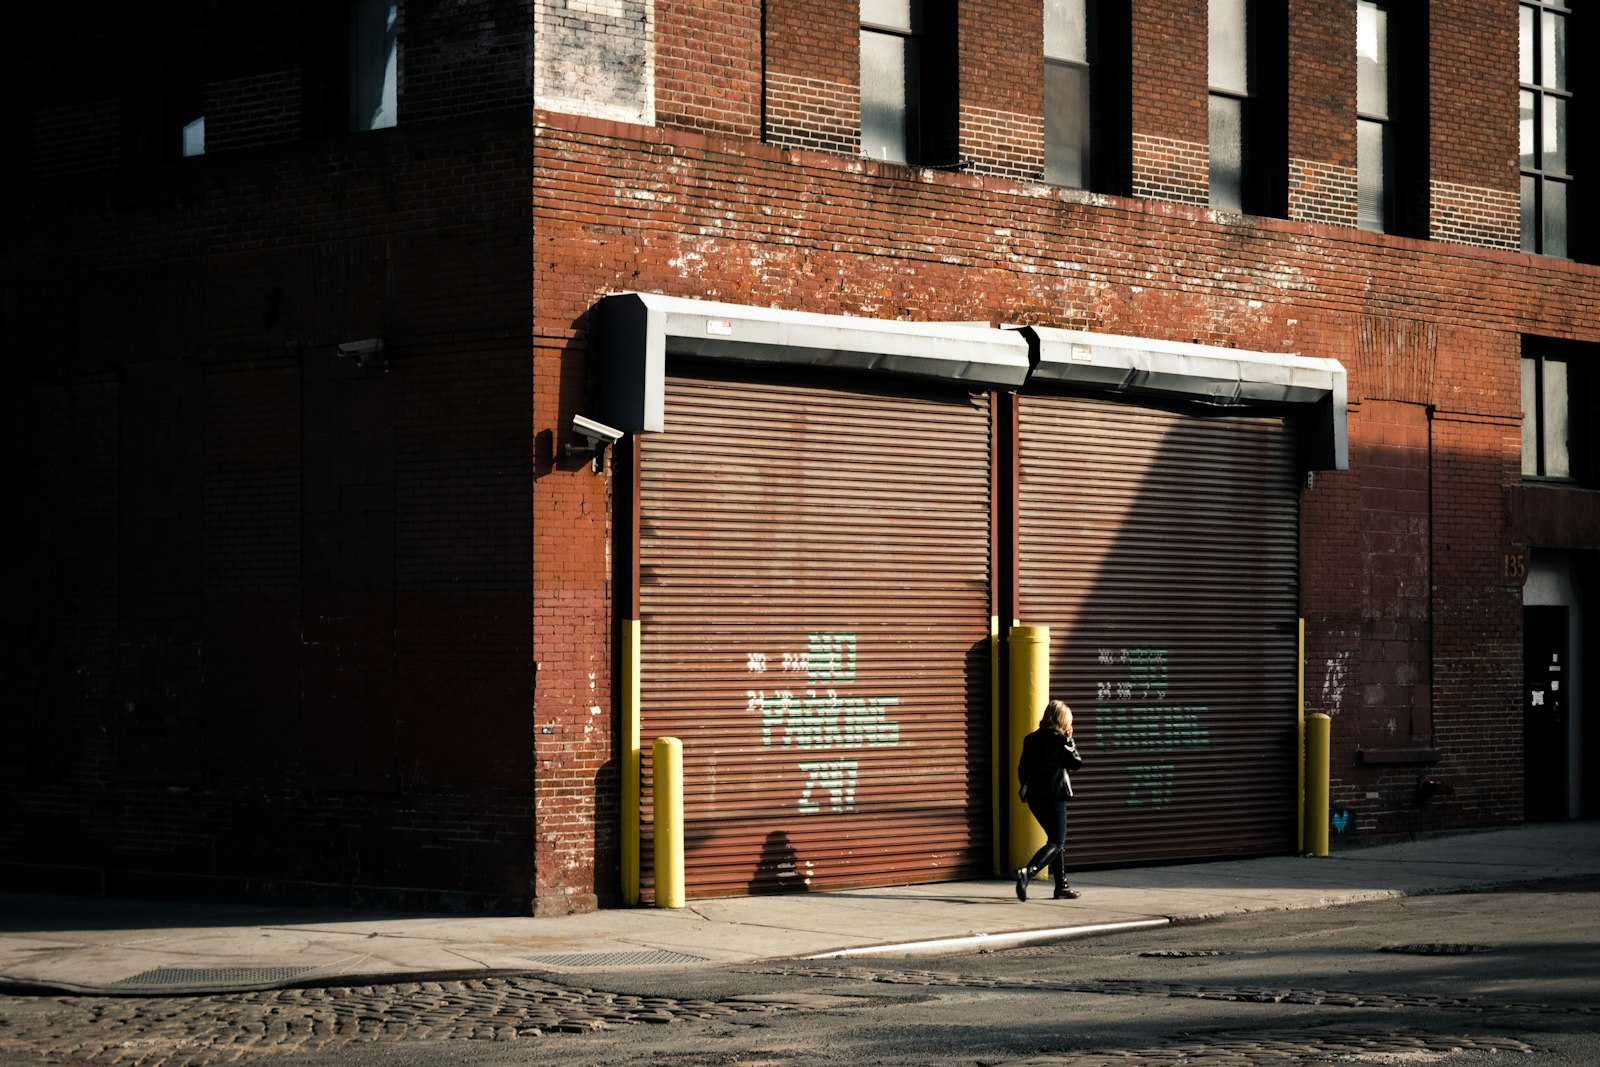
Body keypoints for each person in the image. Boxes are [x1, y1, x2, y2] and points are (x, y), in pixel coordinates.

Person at [1014, 699, 1083, 902]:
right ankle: (1029, 871)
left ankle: (1062, 886)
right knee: (1056, 841)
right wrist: (1070, 740)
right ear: (1063, 720)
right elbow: (1076, 763)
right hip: (1054, 797)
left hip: (1035, 798)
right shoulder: (1059, 740)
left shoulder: (1030, 739)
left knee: (1055, 840)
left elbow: (1022, 769)